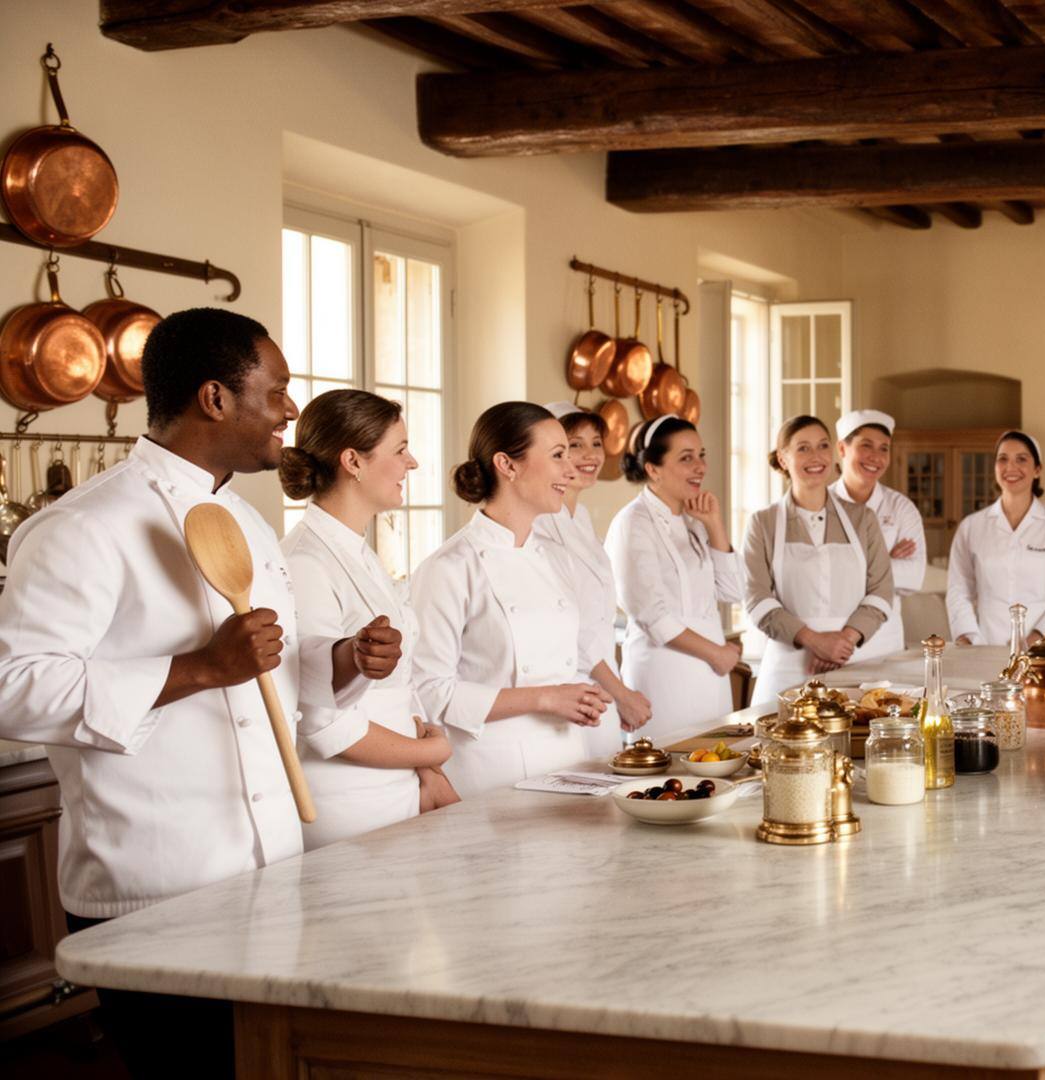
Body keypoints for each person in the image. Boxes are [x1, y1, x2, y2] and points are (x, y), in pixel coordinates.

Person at [0, 308, 382, 1078]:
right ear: (215, 398)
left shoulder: (246, 521)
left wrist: (341, 658)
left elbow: (262, 674)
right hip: (155, 887)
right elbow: (13, 690)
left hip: (270, 869)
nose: (290, 410)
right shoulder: (82, 526)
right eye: (276, 391)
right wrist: (199, 668)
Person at [281, 389, 458, 848]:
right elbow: (321, 722)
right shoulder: (305, 562)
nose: (412, 463)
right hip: (348, 805)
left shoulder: (359, 550)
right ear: (353, 461)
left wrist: (427, 770)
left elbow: (398, 686)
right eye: (400, 450)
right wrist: (430, 750)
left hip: (397, 792)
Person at [410, 402, 612, 795]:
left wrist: (578, 697)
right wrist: (546, 698)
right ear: (507, 465)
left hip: (567, 758)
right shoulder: (449, 567)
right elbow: (430, 691)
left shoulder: (554, 558)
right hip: (492, 772)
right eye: (558, 456)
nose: (571, 470)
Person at [605, 415, 744, 747]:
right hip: (665, 674)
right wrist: (716, 654)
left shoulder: (693, 520)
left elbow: (732, 590)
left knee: (714, 770)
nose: (700, 466)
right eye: (686, 458)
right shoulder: (632, 524)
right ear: (653, 469)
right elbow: (651, 615)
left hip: (710, 677)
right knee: (669, 777)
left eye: (701, 454)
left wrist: (714, 525)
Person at [744, 415, 895, 704]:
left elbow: (881, 591)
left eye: (822, 445)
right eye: (803, 448)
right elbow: (757, 599)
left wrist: (843, 642)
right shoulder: (763, 523)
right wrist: (815, 641)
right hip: (788, 667)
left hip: (853, 661)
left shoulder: (862, 519)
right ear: (783, 459)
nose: (816, 457)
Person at [533, 402, 651, 758]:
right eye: (574, 444)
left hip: (600, 684)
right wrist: (620, 693)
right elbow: (574, 630)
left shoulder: (579, 516)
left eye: (596, 443)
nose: (589, 455)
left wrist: (617, 691)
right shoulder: (539, 525)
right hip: (571, 691)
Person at [945, 430, 1045, 647]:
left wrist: (1035, 639)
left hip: (1041, 650)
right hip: (984, 646)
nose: (1010, 467)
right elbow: (958, 590)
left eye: (1021, 459)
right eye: (1002, 459)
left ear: (1037, 470)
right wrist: (968, 638)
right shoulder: (972, 526)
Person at [830, 409, 925, 654]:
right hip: (830, 636)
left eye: (884, 448)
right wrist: (885, 560)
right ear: (842, 449)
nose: (876, 457)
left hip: (884, 639)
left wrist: (845, 565)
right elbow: (817, 574)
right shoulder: (821, 503)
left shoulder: (902, 508)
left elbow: (913, 577)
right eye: (866, 445)